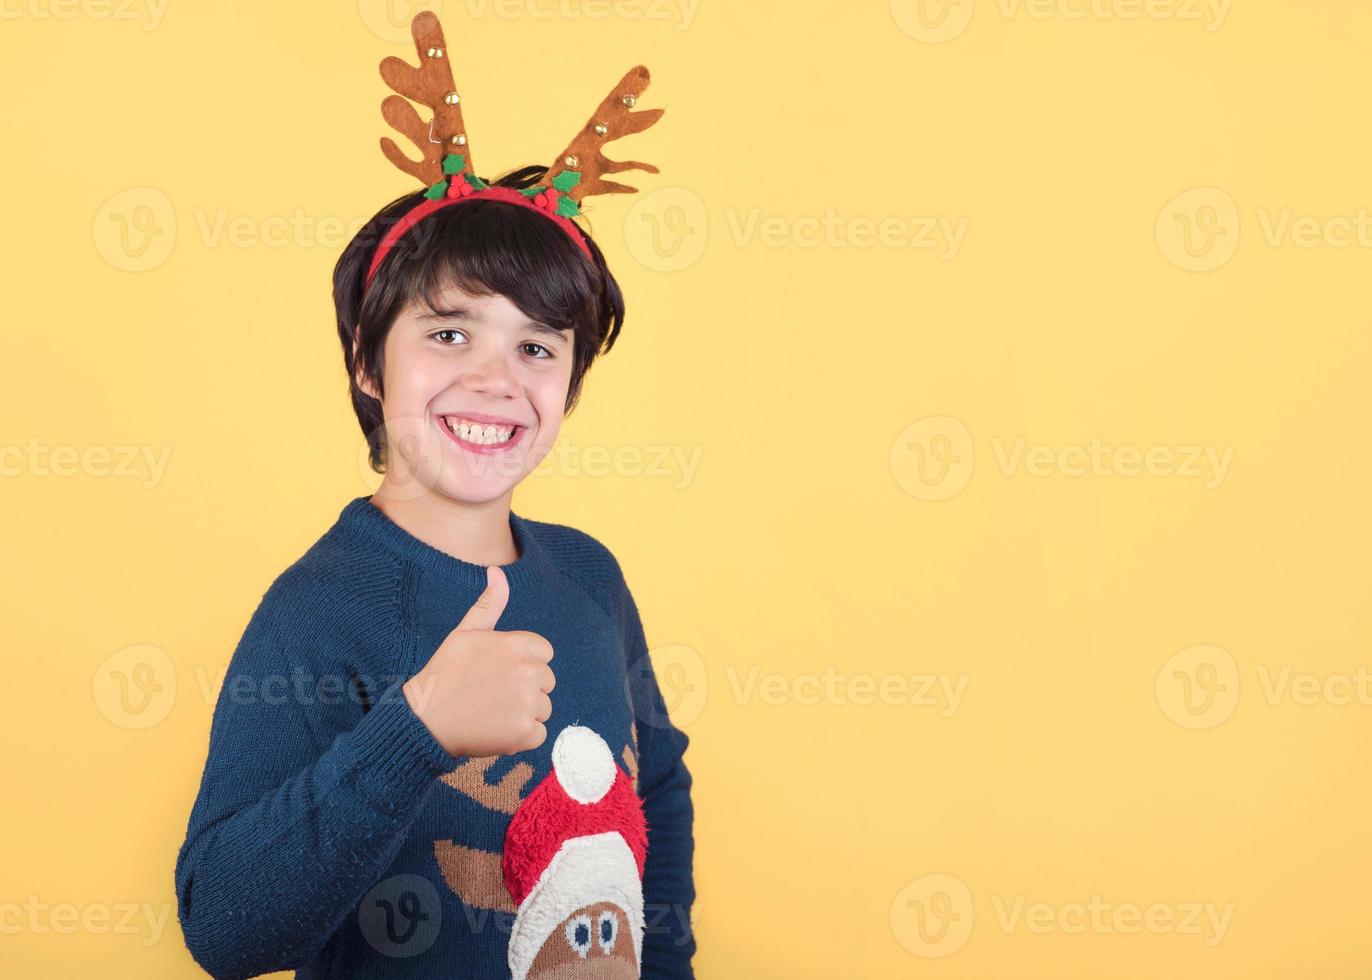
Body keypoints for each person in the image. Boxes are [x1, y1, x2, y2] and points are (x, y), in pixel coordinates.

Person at [173, 16, 693, 976]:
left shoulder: (591, 576)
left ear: (567, 388)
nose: (499, 378)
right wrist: (416, 730)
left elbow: (654, 787)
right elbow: (222, 927)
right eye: (450, 334)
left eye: (537, 347)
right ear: (370, 365)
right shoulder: (315, 612)